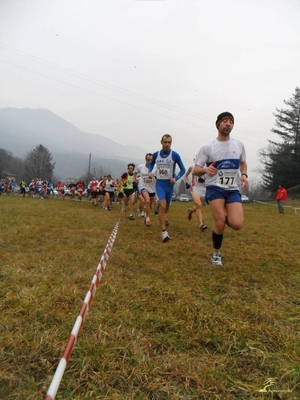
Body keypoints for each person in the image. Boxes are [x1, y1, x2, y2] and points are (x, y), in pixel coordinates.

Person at [193, 112, 248, 266]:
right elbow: (196, 169)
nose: (228, 124)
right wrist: (205, 170)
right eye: (224, 121)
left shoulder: (239, 145)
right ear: (217, 124)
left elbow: (243, 162)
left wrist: (244, 174)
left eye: (231, 121)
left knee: (236, 224)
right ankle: (216, 254)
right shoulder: (208, 147)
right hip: (215, 188)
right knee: (220, 222)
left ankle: (227, 218)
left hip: (232, 188)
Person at [148, 134, 186, 242]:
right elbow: (151, 165)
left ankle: (161, 212)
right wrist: (150, 172)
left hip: (170, 185)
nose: (167, 144)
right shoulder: (156, 155)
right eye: (165, 142)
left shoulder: (175, 155)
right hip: (160, 184)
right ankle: (164, 232)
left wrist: (176, 178)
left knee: (166, 209)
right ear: (161, 142)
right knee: (163, 206)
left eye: (169, 142)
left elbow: (183, 169)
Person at [136, 153, 157, 226]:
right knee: (147, 201)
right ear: (145, 159)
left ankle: (145, 214)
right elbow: (135, 173)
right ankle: (147, 218)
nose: (149, 161)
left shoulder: (155, 168)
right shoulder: (141, 167)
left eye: (151, 160)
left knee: (149, 204)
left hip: (152, 188)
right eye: (148, 160)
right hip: (143, 187)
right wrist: (134, 180)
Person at [184, 165, 207, 231]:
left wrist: (205, 181)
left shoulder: (207, 167)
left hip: (204, 189)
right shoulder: (192, 167)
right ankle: (201, 224)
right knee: (198, 204)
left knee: (198, 207)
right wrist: (186, 183)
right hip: (195, 188)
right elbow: (186, 175)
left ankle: (191, 210)